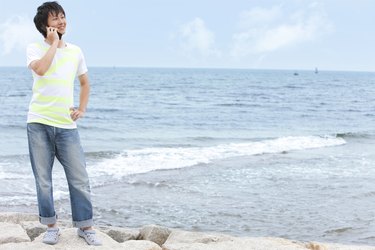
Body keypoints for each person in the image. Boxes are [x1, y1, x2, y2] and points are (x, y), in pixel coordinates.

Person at [26, 1, 101, 246]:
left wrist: (81, 109)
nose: (61, 22)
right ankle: (51, 226)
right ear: (44, 25)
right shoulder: (35, 48)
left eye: (63, 17)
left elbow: (85, 83)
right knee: (43, 179)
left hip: (67, 127)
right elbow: (42, 70)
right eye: (55, 19)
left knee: (79, 178)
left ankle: (85, 226)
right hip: (39, 122)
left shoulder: (76, 51)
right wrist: (54, 44)